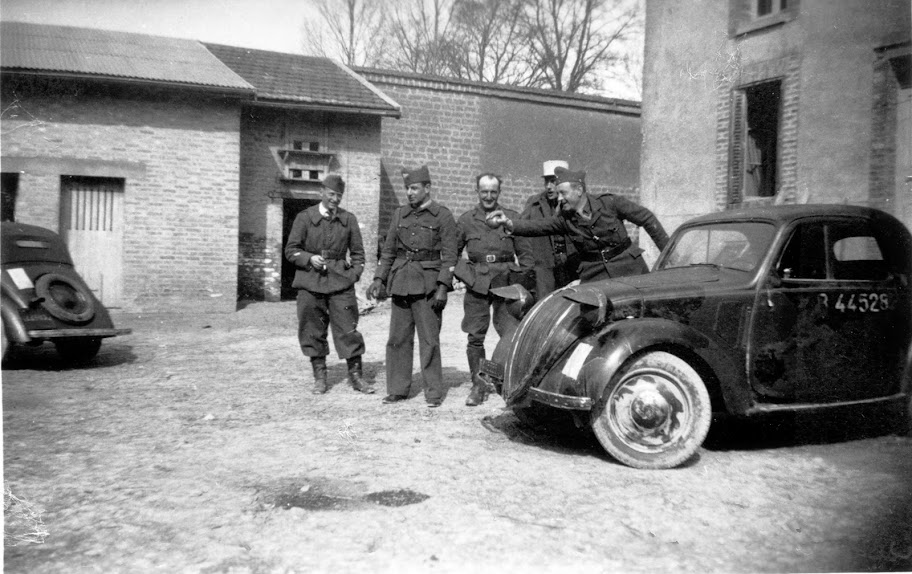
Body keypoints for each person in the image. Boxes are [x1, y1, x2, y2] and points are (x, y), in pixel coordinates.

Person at [366, 165, 459, 408]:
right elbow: (388, 251)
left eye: (414, 188)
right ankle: (398, 389)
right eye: (407, 188)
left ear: (427, 188)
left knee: (429, 340)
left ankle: (433, 393)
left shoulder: (443, 216)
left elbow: (450, 257)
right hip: (401, 282)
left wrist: (442, 287)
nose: (409, 192)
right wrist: (379, 278)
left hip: (428, 286)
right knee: (397, 339)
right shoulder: (399, 215)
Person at [485, 166, 669, 282]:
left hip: (629, 268)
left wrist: (668, 254)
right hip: (595, 275)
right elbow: (538, 227)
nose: (559, 198)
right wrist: (508, 222)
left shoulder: (610, 203)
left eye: (563, 193)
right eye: (558, 194)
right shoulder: (565, 220)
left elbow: (647, 218)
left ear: (579, 190)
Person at [284, 174, 373, 395]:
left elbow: (359, 254)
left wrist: (353, 274)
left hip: (340, 283)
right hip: (310, 282)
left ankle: (356, 377)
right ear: (322, 192)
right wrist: (308, 258)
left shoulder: (348, 219)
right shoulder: (305, 218)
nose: (335, 199)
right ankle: (320, 377)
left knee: (348, 329)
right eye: (332, 194)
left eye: (339, 195)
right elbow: (290, 250)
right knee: (312, 329)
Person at [455, 173, 535, 407]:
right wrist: (468, 277)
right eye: (484, 191)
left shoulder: (510, 218)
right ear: (477, 192)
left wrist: (518, 282)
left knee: (509, 333)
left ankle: (506, 381)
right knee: (475, 335)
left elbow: (527, 257)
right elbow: (452, 254)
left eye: (493, 192)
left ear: (499, 193)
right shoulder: (466, 220)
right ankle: (478, 384)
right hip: (477, 283)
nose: (488, 196)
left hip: (505, 282)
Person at [520, 160, 579, 300]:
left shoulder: (573, 202)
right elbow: (521, 233)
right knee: (544, 304)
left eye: (553, 182)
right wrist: (528, 263)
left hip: (570, 265)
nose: (549, 187)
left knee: (570, 302)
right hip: (545, 266)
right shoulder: (535, 204)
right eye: (546, 182)